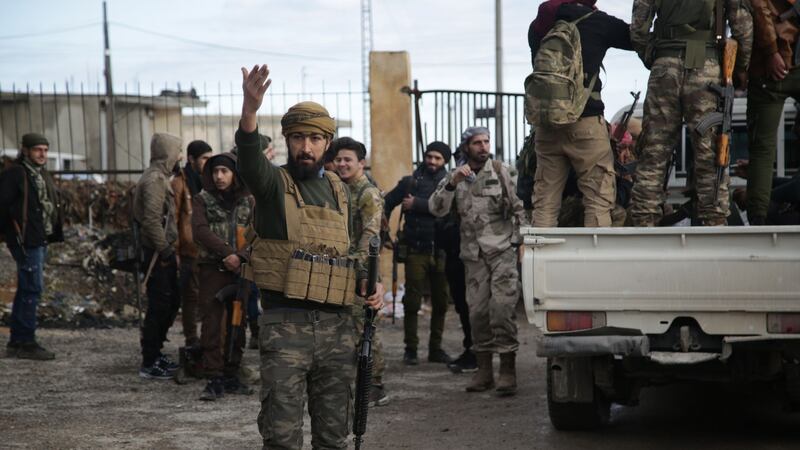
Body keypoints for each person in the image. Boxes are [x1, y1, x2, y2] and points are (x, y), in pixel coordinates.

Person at [235, 64, 384, 449]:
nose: (306, 147)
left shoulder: (339, 189)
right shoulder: (273, 185)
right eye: (298, 137)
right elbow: (250, 162)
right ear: (287, 140)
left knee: (333, 436)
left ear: (327, 143)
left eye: (315, 138)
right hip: (286, 327)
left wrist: (371, 285)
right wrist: (250, 110)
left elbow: (348, 252)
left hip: (337, 328)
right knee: (282, 435)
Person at [629, 0, 753, 226]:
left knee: (654, 152)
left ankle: (643, 222)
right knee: (710, 152)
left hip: (664, 67)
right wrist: (740, 69)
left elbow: (638, 27)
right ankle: (713, 222)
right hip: (707, 67)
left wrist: (654, 57)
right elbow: (742, 25)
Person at [429, 127, 528, 396]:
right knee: (478, 314)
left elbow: (521, 208)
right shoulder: (457, 177)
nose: (483, 147)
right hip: (473, 257)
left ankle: (507, 370)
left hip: (501, 252)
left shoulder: (501, 170)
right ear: (466, 147)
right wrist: (452, 182)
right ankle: (484, 371)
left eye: (486, 141)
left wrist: (519, 243)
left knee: (502, 311)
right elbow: (436, 208)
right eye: (477, 143)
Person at [529, 0, 633, 227]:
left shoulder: (541, 23)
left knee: (545, 201)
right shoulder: (599, 22)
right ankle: (596, 260)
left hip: (547, 125)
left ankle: (540, 260)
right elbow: (637, 38)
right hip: (585, 123)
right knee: (598, 198)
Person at [384, 141, 455, 367]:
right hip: (415, 249)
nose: (432, 162)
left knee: (441, 302)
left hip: (442, 250)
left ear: (445, 161)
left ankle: (436, 349)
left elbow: (448, 209)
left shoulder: (451, 184)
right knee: (412, 302)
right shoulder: (410, 182)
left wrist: (418, 204)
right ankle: (411, 349)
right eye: (429, 157)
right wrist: (384, 231)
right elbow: (386, 202)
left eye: (438, 158)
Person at [191, 152, 255, 400]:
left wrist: (241, 257)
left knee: (238, 322)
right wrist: (227, 254)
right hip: (212, 270)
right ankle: (213, 376)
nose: (219, 176)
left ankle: (232, 372)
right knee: (212, 323)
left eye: (224, 171)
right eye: (215, 171)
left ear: (234, 174)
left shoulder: (248, 201)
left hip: (241, 271)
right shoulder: (202, 199)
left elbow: (258, 231)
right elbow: (200, 231)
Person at [332, 136, 390, 407]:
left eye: (348, 160)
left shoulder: (367, 193)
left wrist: (363, 275)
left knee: (365, 328)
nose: (342, 164)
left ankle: (374, 385)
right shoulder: (339, 189)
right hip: (342, 269)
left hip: (362, 271)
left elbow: (369, 237)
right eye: (339, 159)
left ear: (361, 163)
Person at [0, 133, 63, 360]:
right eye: (37, 150)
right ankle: (25, 341)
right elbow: (3, 206)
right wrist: (13, 233)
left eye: (45, 150)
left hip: (39, 238)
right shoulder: (16, 173)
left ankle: (19, 340)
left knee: (29, 287)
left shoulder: (39, 173)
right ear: (25, 150)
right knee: (31, 288)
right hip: (26, 240)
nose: (42, 154)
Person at [740, 0, 798, 225]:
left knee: (762, 150)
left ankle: (757, 220)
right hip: (779, 63)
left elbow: (758, 9)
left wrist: (771, 51)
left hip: (768, 66)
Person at [133, 132, 183, 380]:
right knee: (160, 305)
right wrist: (165, 250)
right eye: (177, 151)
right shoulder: (154, 180)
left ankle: (155, 353)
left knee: (170, 302)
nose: (180, 156)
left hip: (160, 251)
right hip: (156, 254)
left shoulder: (161, 176)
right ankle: (150, 361)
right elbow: (151, 221)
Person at [172, 140, 212, 347]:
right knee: (190, 298)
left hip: (206, 251)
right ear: (191, 159)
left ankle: (206, 339)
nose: (208, 162)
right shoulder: (180, 183)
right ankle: (191, 339)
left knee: (207, 297)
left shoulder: (209, 182)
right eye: (204, 158)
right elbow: (174, 221)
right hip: (188, 251)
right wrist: (176, 251)